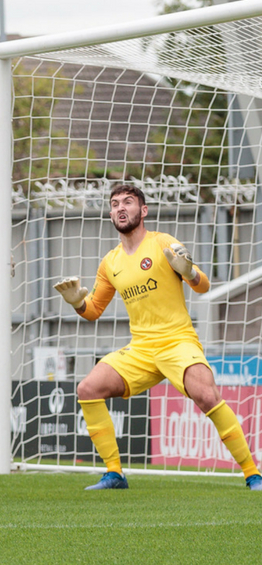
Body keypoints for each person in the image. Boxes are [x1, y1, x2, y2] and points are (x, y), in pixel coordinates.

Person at [54, 183, 262, 491]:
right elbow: (94, 310)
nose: (120, 208)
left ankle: (252, 473)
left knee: (206, 396)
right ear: (111, 213)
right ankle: (114, 474)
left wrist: (189, 272)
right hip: (141, 349)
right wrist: (76, 303)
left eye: (128, 202)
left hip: (178, 341)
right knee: (88, 388)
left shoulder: (162, 242)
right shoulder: (110, 262)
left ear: (143, 210)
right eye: (114, 204)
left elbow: (203, 287)